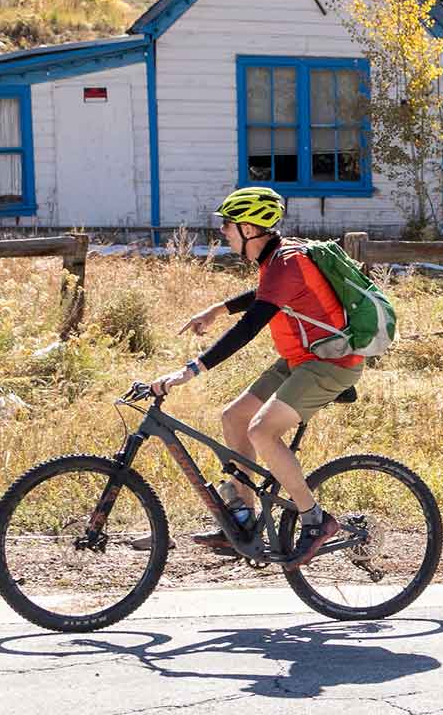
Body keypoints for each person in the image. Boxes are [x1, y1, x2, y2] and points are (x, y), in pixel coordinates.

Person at [149, 186, 361, 567]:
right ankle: (243, 519)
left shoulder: (287, 262)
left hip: (330, 364)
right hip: (299, 359)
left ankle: (315, 519)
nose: (224, 233)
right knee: (234, 417)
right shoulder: (277, 260)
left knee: (261, 431)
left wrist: (190, 370)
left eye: (228, 227)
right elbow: (264, 294)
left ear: (249, 228)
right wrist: (218, 308)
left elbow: (251, 326)